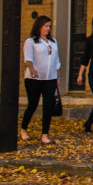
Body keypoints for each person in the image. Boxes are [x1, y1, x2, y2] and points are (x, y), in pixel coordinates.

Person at [20, 15, 61, 145]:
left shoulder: (53, 41)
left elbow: (56, 61)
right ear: (39, 26)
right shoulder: (31, 42)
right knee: (33, 104)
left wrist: (57, 76)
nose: (48, 29)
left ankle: (45, 135)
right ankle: (23, 129)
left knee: (48, 105)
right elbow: (28, 59)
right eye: (46, 26)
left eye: (49, 26)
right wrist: (32, 70)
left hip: (50, 78)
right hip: (34, 79)